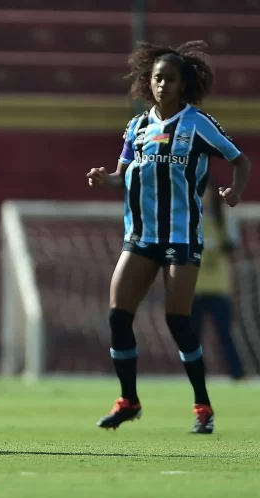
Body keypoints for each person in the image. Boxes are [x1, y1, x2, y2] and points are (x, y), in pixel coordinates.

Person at [87, 41, 251, 434]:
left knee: (178, 322)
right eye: (157, 78)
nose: (162, 85)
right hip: (141, 236)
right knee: (117, 315)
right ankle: (128, 399)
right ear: (149, 81)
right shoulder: (138, 126)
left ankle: (203, 406)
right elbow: (122, 172)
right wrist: (103, 177)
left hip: (181, 238)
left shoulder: (197, 123)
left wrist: (235, 191)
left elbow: (239, 160)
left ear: (183, 84)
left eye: (171, 79)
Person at [191, 178, 246, 380]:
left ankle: (237, 375)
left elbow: (232, 247)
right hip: (192, 288)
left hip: (218, 288)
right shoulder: (187, 220)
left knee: (225, 335)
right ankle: (196, 377)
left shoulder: (224, 220)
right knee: (193, 337)